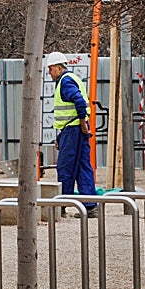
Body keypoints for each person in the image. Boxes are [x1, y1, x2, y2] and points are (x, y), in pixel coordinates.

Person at [46, 51, 98, 218]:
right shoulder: (72, 78)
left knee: (65, 167)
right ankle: (90, 206)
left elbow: (79, 102)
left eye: (51, 69)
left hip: (74, 129)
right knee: (83, 167)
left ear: (59, 68)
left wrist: (82, 123)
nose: (49, 72)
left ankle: (63, 203)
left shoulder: (65, 81)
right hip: (74, 129)